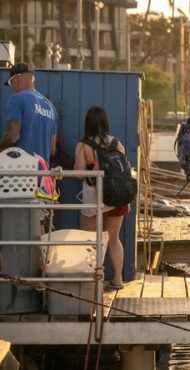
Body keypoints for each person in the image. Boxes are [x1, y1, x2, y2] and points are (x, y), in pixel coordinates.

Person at [75, 106, 130, 289]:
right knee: (114, 239)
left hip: (95, 199)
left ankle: (93, 283)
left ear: (88, 123)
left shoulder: (83, 145)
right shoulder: (117, 143)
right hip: (117, 198)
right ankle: (118, 279)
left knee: (91, 240)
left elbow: (79, 174)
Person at [0, 63, 57, 162]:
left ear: (17, 78)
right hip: (43, 169)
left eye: (10, 83)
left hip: (20, 168)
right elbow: (52, 149)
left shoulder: (16, 98)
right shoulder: (50, 106)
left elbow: (12, 136)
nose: (11, 87)